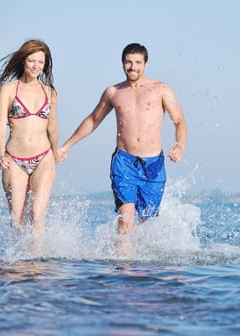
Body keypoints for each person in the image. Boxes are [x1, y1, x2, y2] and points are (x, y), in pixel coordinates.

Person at [57, 43, 187, 237]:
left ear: (145, 64)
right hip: (124, 162)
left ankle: (148, 266)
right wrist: (66, 146)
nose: (132, 67)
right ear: (122, 64)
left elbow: (179, 121)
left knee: (150, 225)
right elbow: (93, 120)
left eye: (137, 62)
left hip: (153, 164)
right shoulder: (113, 92)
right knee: (126, 219)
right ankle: (123, 265)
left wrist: (179, 146)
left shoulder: (161, 89)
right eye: (128, 62)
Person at [0, 39, 59, 239]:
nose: (36, 66)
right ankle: (18, 266)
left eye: (40, 62)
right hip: (14, 159)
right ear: (23, 61)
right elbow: (0, 124)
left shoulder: (49, 91)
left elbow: (53, 125)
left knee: (37, 218)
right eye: (32, 61)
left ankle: (37, 265)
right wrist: (0, 154)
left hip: (43, 157)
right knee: (17, 219)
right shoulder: (9, 88)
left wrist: (56, 151)